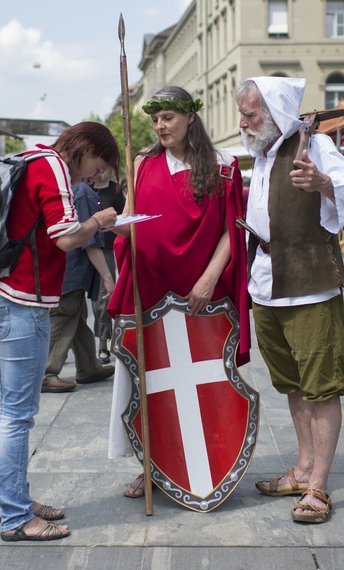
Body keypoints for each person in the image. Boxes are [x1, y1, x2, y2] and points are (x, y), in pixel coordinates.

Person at [0, 122, 119, 542]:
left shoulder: (29, 158)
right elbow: (66, 237)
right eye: (97, 165)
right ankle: (17, 517)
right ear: (84, 148)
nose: (94, 176)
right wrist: (98, 220)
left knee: (11, 410)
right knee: (17, 415)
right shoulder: (52, 164)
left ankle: (16, 498)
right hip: (20, 302)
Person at [106, 85, 250, 498]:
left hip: (204, 297)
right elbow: (130, 221)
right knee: (148, 383)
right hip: (151, 292)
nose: (159, 125)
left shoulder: (223, 165)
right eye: (155, 119)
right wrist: (116, 228)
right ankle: (152, 466)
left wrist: (208, 278)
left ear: (190, 117)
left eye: (167, 116)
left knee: (209, 383)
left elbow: (231, 231)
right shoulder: (143, 162)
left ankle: (213, 463)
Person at [236, 77, 344, 524]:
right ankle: (303, 468)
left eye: (250, 114)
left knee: (321, 386)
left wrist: (323, 183)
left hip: (309, 285)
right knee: (291, 383)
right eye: (243, 113)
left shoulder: (316, 145)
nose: (243, 122)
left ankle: (319, 488)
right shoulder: (263, 155)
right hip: (268, 285)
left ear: (274, 113)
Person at [42, 181, 116, 392]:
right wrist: (107, 276)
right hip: (71, 271)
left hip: (64, 268)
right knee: (65, 316)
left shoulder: (67, 188)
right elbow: (88, 240)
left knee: (76, 317)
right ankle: (46, 373)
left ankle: (88, 367)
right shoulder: (82, 192)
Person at [90, 173, 125, 365]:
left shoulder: (115, 189)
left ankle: (103, 344)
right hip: (83, 246)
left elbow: (123, 218)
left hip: (106, 248)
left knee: (103, 299)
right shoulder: (83, 186)